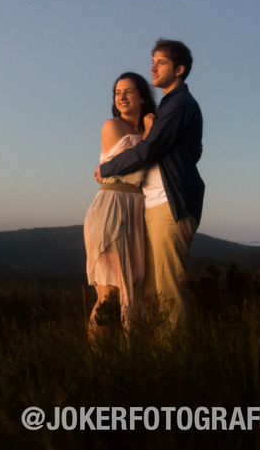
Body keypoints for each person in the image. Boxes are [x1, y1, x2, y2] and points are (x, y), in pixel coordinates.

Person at [95, 39, 204, 333]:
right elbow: (190, 151)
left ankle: (172, 360)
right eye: (152, 61)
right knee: (148, 290)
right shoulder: (170, 106)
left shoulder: (179, 104)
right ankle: (156, 358)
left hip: (170, 206)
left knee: (168, 289)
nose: (153, 66)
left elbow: (147, 151)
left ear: (179, 69)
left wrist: (105, 169)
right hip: (152, 206)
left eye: (162, 62)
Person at [83, 72, 156, 336]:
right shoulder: (112, 126)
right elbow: (134, 168)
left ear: (142, 97)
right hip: (110, 210)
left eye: (128, 92)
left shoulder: (147, 131)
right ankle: (95, 361)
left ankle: (123, 360)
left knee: (132, 291)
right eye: (117, 93)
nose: (122, 97)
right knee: (109, 295)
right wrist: (149, 134)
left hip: (135, 212)